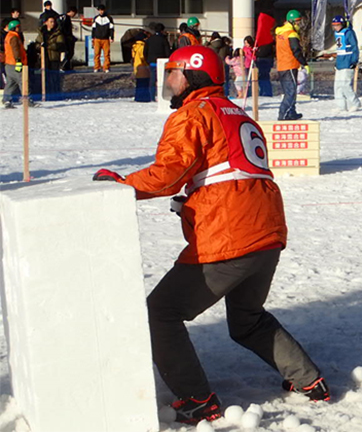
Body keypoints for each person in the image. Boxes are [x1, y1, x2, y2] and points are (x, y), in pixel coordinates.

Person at [92, 46, 328, 424]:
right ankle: (309, 380)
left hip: (230, 235)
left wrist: (120, 184)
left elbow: (168, 173)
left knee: (161, 313)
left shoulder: (193, 114)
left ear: (193, 76)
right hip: (267, 232)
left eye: (173, 72)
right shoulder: (237, 114)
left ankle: (197, 399)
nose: (167, 80)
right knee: (247, 318)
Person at [275, 10, 307, 120]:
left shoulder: (280, 33)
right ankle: (283, 114)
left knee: (288, 90)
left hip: (281, 65)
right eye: (298, 22)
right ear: (292, 22)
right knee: (291, 92)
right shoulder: (291, 34)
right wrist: (304, 63)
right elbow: (296, 50)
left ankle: (291, 112)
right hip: (290, 65)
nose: (299, 24)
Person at [332, 16, 361, 112]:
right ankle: (341, 105)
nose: (335, 27)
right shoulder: (337, 33)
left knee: (345, 85)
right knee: (338, 86)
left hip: (348, 61)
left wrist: (354, 60)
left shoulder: (349, 33)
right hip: (340, 62)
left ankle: (355, 103)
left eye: (337, 25)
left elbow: (354, 47)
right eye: (334, 25)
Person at [3, 20, 32, 108]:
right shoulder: (14, 37)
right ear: (14, 28)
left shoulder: (9, 36)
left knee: (11, 82)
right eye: (18, 27)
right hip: (15, 63)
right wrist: (19, 61)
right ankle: (27, 99)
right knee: (23, 81)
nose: (19, 28)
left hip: (9, 63)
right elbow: (15, 50)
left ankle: (6, 100)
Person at [37, 14, 65, 98]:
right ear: (46, 23)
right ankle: (45, 93)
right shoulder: (42, 33)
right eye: (51, 22)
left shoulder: (58, 33)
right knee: (45, 77)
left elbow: (60, 45)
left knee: (54, 78)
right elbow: (37, 44)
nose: (53, 23)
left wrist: (48, 46)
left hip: (53, 58)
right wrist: (40, 46)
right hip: (44, 58)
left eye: (53, 22)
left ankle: (55, 94)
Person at [145, 22, 172, 101]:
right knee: (162, 80)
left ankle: (152, 97)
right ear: (162, 30)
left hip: (152, 62)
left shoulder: (149, 39)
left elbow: (145, 51)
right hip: (162, 63)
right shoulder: (163, 39)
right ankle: (161, 96)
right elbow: (167, 52)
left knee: (152, 80)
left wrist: (148, 60)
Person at [91, 4, 114, 72]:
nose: (101, 12)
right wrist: (93, 37)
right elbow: (93, 29)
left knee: (106, 54)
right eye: (100, 10)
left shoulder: (109, 18)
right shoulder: (96, 18)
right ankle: (96, 67)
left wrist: (112, 37)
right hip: (97, 38)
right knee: (96, 54)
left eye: (102, 10)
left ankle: (106, 67)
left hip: (106, 38)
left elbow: (111, 29)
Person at [131, 30, 151, 102]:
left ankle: (138, 97)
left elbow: (133, 57)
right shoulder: (142, 46)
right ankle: (144, 97)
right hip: (143, 66)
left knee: (139, 84)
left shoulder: (134, 47)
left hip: (136, 67)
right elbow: (143, 57)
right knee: (145, 83)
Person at [59, 6, 78, 71]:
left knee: (68, 53)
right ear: (72, 12)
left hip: (66, 37)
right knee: (69, 53)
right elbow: (63, 29)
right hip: (66, 38)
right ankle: (63, 66)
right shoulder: (65, 18)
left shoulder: (64, 17)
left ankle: (67, 66)